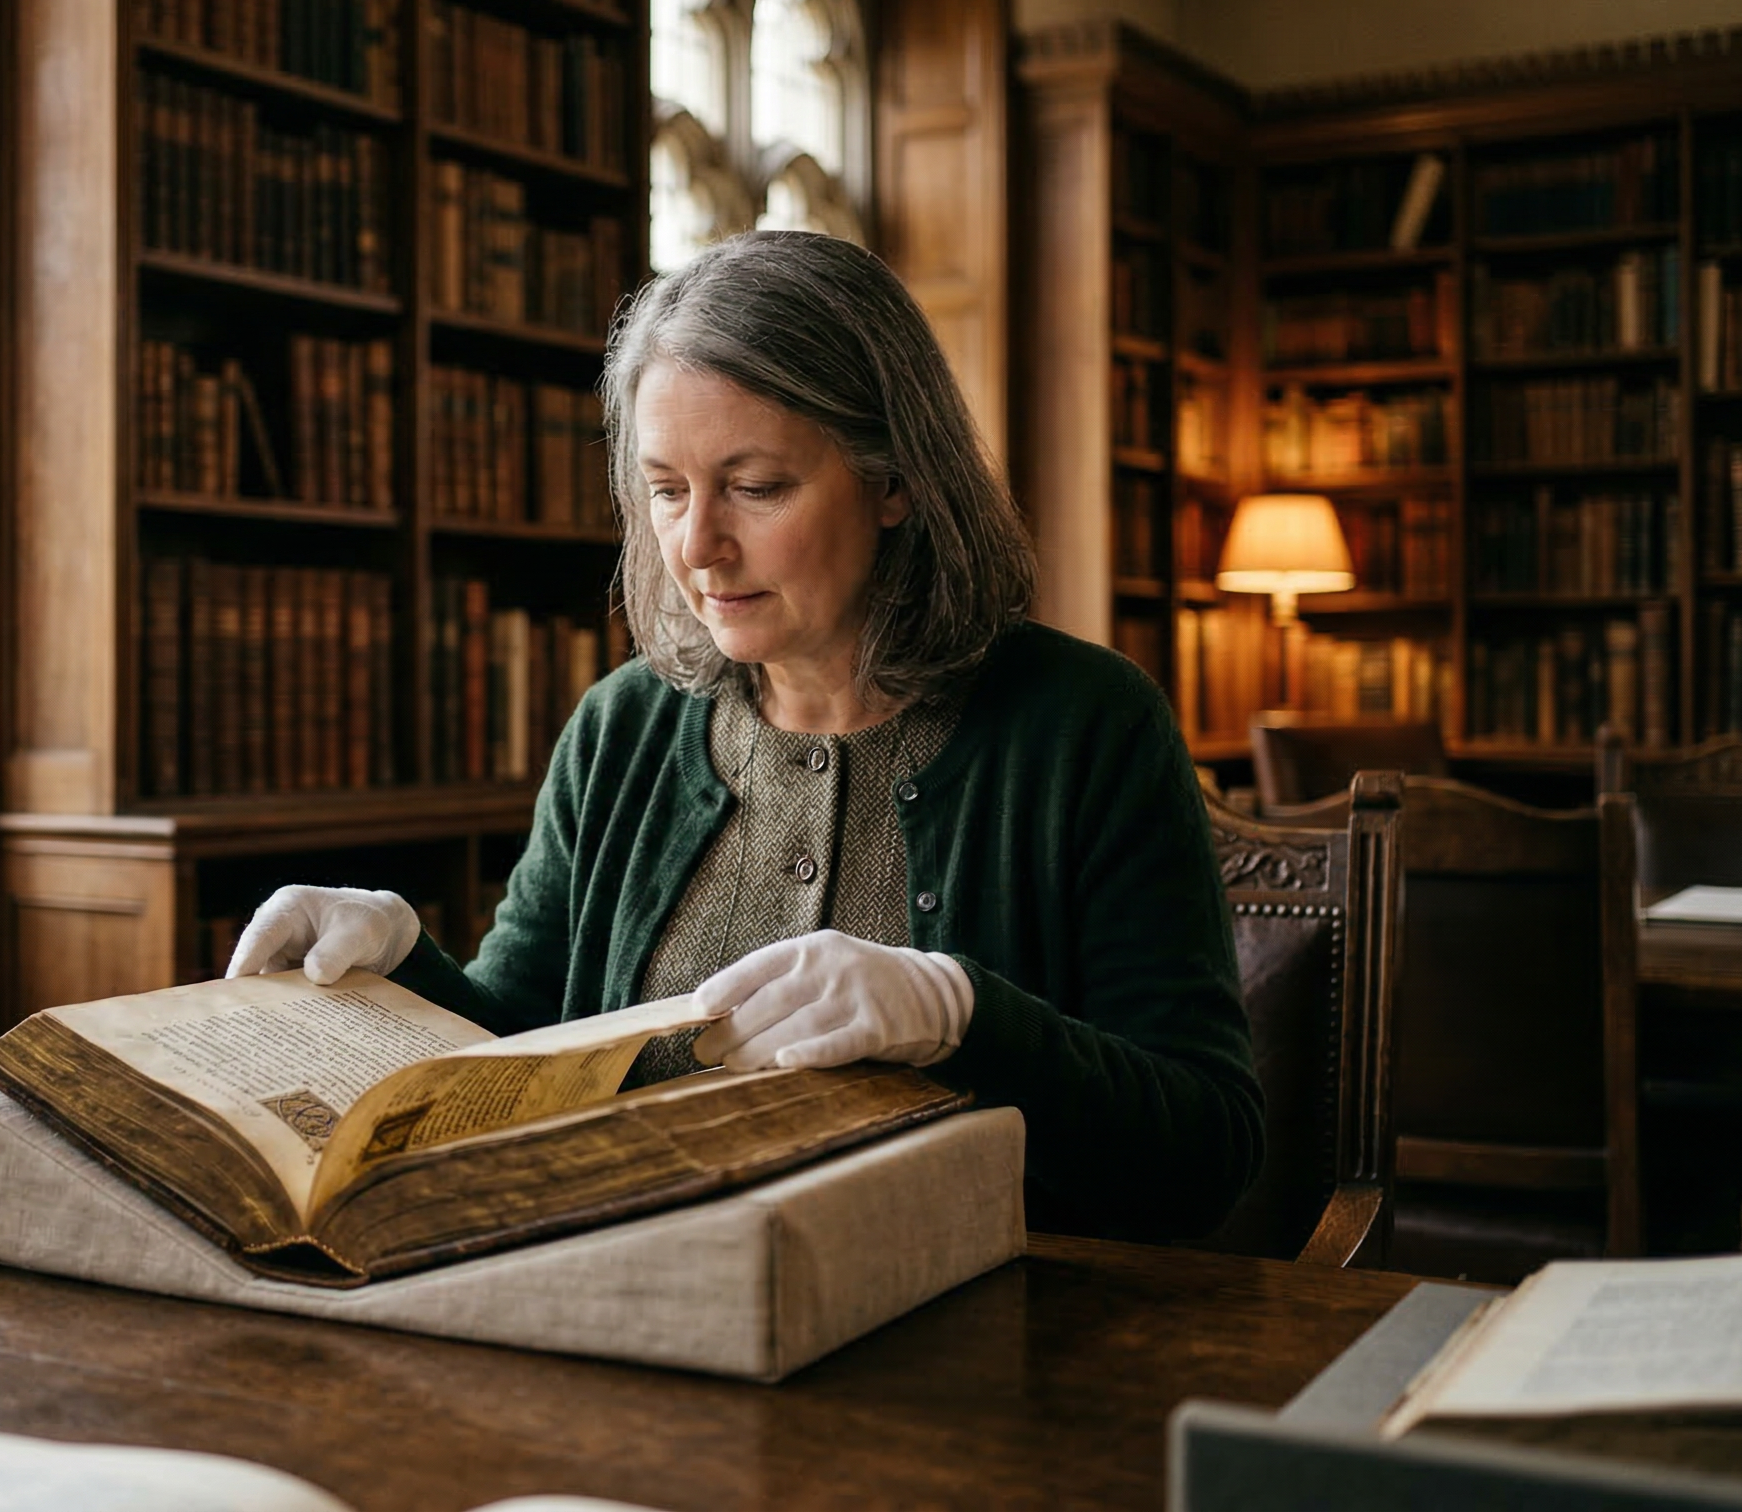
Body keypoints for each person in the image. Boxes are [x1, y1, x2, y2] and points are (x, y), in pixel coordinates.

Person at [229, 230, 1262, 1241]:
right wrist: (400, 960)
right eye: (666, 491)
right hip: (638, 1329)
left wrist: (960, 1015)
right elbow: (527, 1050)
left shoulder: (1085, 726)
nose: (697, 546)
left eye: (756, 487)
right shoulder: (619, 729)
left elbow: (1204, 1156)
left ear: (895, 478)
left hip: (982, 1349)